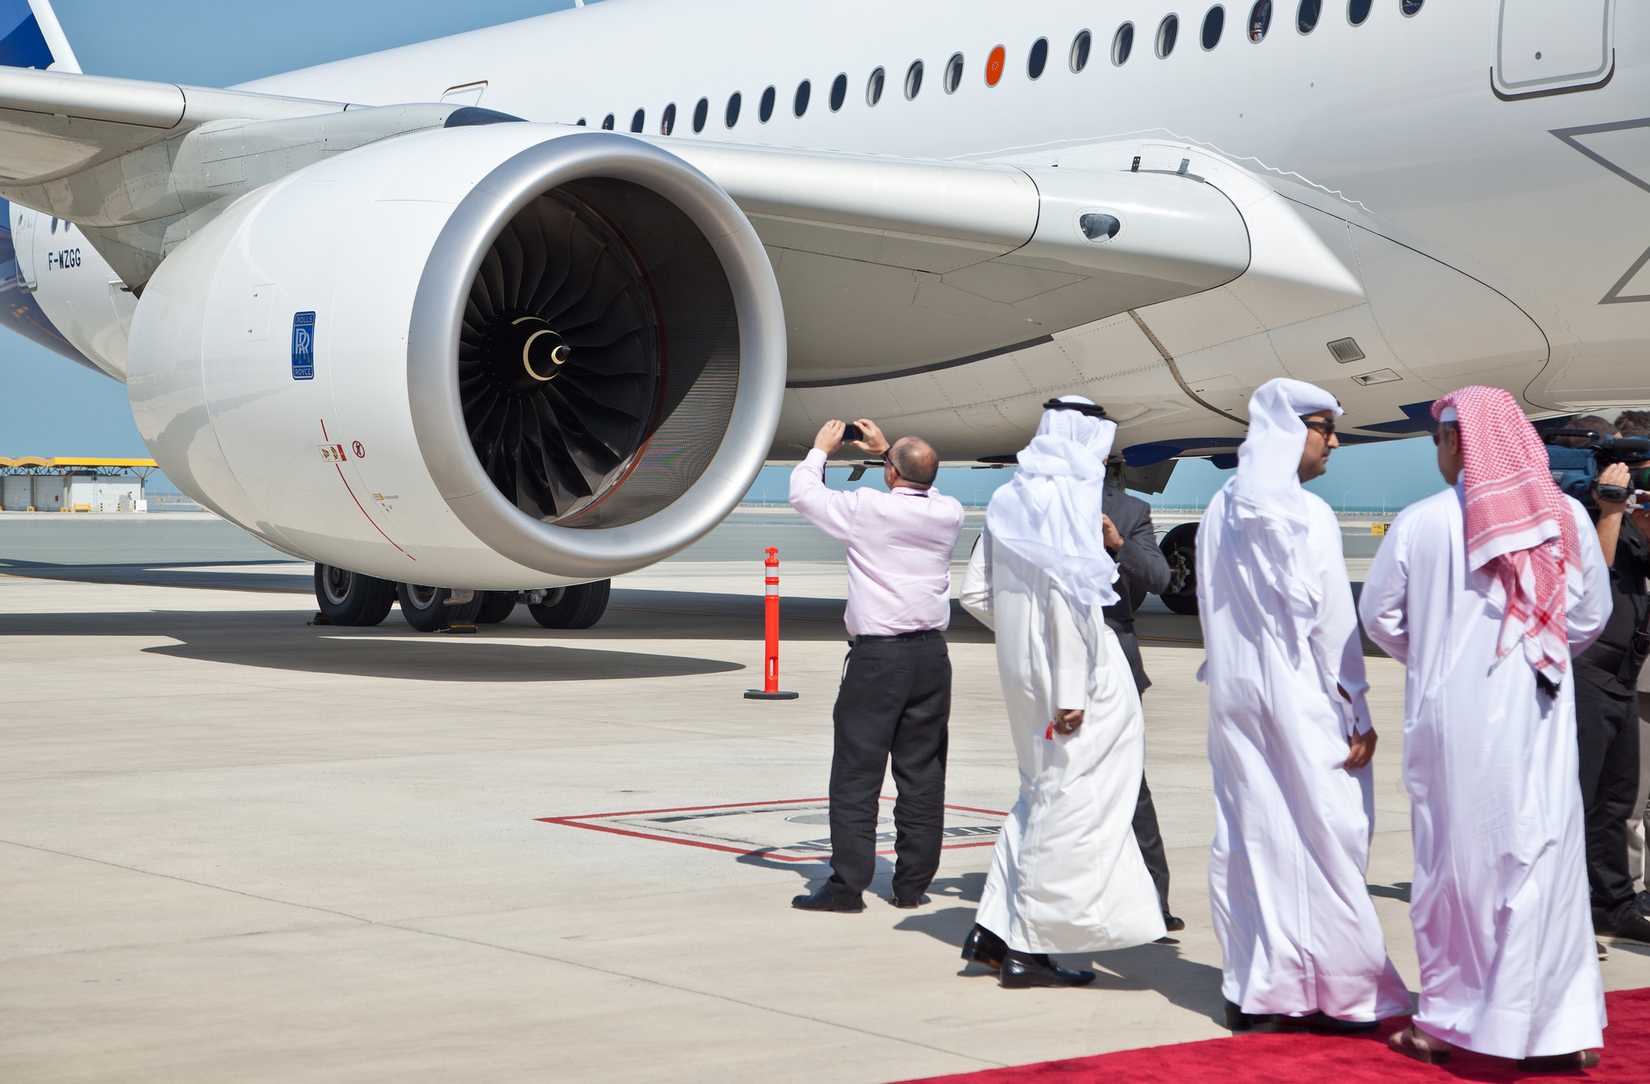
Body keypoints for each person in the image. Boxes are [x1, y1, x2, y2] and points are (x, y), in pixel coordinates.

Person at [1360, 386, 1610, 1071]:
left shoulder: (1422, 522)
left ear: (1454, 442)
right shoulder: (1567, 520)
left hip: (1453, 724)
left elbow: (1380, 617)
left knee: (1456, 871)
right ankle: (1561, 1029)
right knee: (1545, 864)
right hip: (1540, 714)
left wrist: (1440, 659)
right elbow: (1588, 617)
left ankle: (1449, 1023)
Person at [1198, 377, 1409, 1032]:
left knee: (1252, 837)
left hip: (1235, 698)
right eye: (1324, 427)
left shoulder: (1217, 508)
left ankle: (1257, 989)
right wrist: (1359, 712)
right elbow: (1332, 629)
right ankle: (1346, 992)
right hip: (1299, 698)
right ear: (1289, 429)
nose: (1335, 442)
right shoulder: (1306, 515)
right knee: (1330, 835)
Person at [959, 397, 1166, 988]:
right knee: (1078, 806)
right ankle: (1033, 945)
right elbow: (1071, 603)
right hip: (1081, 685)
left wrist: (1023, 647)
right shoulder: (1072, 502)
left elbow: (976, 596)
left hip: (1024, 676)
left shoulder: (1006, 499)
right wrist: (1070, 689)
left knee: (1040, 792)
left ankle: (996, 931)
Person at [788, 418, 964, 913]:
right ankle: (912, 885)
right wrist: (891, 453)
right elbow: (923, 484)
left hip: (879, 657)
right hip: (931, 656)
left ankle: (848, 886)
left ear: (889, 474)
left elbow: (804, 495)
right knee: (923, 774)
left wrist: (820, 450)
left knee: (857, 774)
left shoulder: (868, 508)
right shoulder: (948, 512)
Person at [1573, 415, 1650, 943]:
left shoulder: (1637, 531)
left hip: (1622, 675)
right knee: (1578, 795)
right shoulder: (1585, 516)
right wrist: (1612, 508)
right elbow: (1589, 582)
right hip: (1587, 672)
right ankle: (1570, 903)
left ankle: (1614, 902)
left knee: (1618, 799)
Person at [1101, 453, 1181, 931]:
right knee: (1129, 785)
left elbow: (1160, 578)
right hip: (1078, 655)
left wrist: (1117, 547)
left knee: (1128, 784)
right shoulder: (1038, 504)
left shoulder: (1128, 512)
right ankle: (1149, 899)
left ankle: (1150, 897)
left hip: (1113, 653)